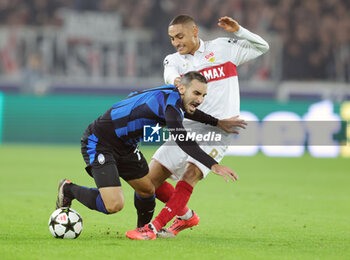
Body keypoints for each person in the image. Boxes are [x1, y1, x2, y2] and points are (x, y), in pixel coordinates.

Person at [126, 15, 269, 240]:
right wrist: (176, 83)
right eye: (172, 38)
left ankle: (152, 229)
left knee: (192, 173)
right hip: (186, 127)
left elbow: (263, 46)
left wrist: (239, 30)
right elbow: (172, 79)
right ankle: (187, 216)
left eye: (180, 36)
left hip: (218, 130)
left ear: (195, 31)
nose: (176, 43)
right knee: (147, 184)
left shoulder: (222, 48)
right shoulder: (172, 61)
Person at [55, 71, 246, 222]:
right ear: (181, 89)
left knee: (147, 190)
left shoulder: (173, 97)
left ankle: (143, 231)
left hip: (127, 146)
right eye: (197, 93)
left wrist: (217, 122)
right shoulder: (171, 107)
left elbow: (190, 111)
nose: (200, 100)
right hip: (100, 142)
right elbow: (183, 139)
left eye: (204, 95)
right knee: (114, 205)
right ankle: (69, 189)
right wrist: (213, 165)